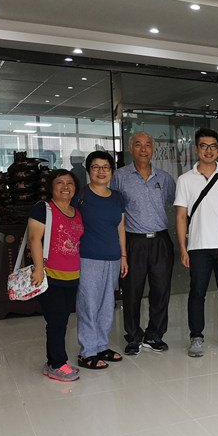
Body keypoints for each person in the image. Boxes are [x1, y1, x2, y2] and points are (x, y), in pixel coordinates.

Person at [174, 127, 218, 358]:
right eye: (203, 146)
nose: (208, 150)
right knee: (197, 293)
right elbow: (180, 216)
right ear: (196, 149)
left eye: (213, 146)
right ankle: (196, 337)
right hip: (198, 247)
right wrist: (183, 248)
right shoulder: (185, 180)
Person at [110, 132, 176, 355]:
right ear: (130, 148)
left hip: (160, 241)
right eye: (138, 144)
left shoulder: (164, 178)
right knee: (132, 292)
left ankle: (155, 335)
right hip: (133, 241)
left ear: (153, 149)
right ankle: (133, 336)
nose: (143, 149)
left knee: (161, 290)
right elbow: (113, 209)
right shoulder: (119, 177)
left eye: (148, 144)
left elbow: (178, 203)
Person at [27, 169, 84, 381]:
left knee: (62, 320)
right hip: (50, 276)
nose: (65, 187)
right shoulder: (43, 209)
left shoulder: (76, 212)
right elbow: (34, 239)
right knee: (56, 322)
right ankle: (57, 364)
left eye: (70, 183)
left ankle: (54, 361)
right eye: (60, 182)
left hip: (72, 276)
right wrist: (38, 269)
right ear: (51, 187)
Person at [73, 151, 128, 369]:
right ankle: (87, 351)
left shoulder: (117, 197)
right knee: (88, 304)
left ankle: (101, 346)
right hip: (88, 258)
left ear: (112, 171)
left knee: (106, 305)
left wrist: (123, 256)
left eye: (105, 167)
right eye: (96, 167)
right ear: (89, 171)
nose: (101, 171)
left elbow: (120, 228)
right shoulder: (80, 195)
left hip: (112, 258)